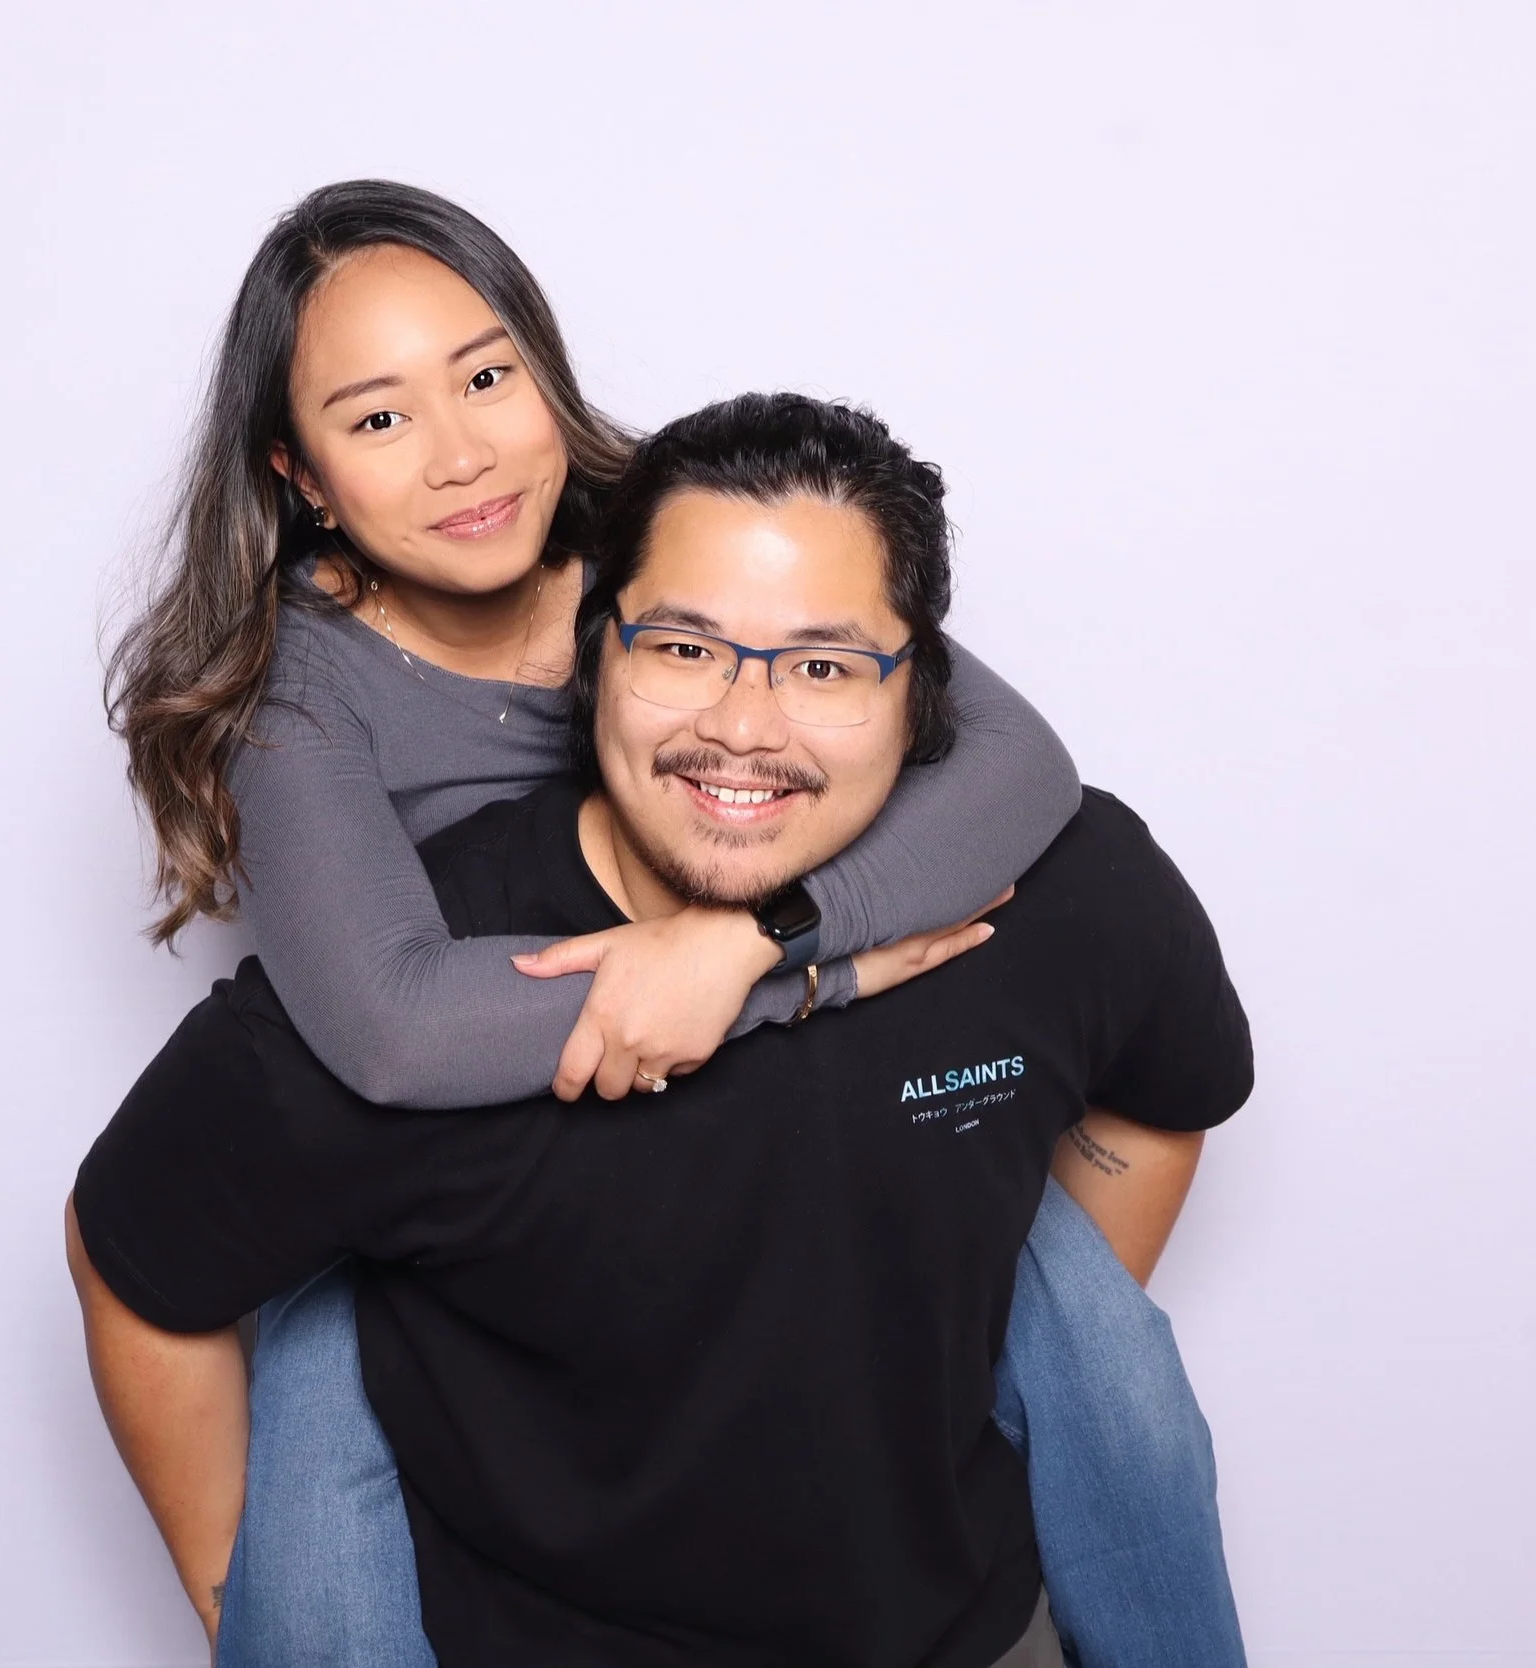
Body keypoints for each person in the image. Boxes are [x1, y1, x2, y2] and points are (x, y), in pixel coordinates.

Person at [100, 180, 1247, 1666]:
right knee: (322, 1457)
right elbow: (393, 1030)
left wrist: (761, 934)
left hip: (760, 1141)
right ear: (301, 475)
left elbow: (1018, 762)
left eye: (487, 378)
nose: (459, 454)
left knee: (1092, 1348)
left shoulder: (664, 535)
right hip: (457, 1141)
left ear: (547, 374)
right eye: (378, 417)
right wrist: (793, 980)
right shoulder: (301, 689)